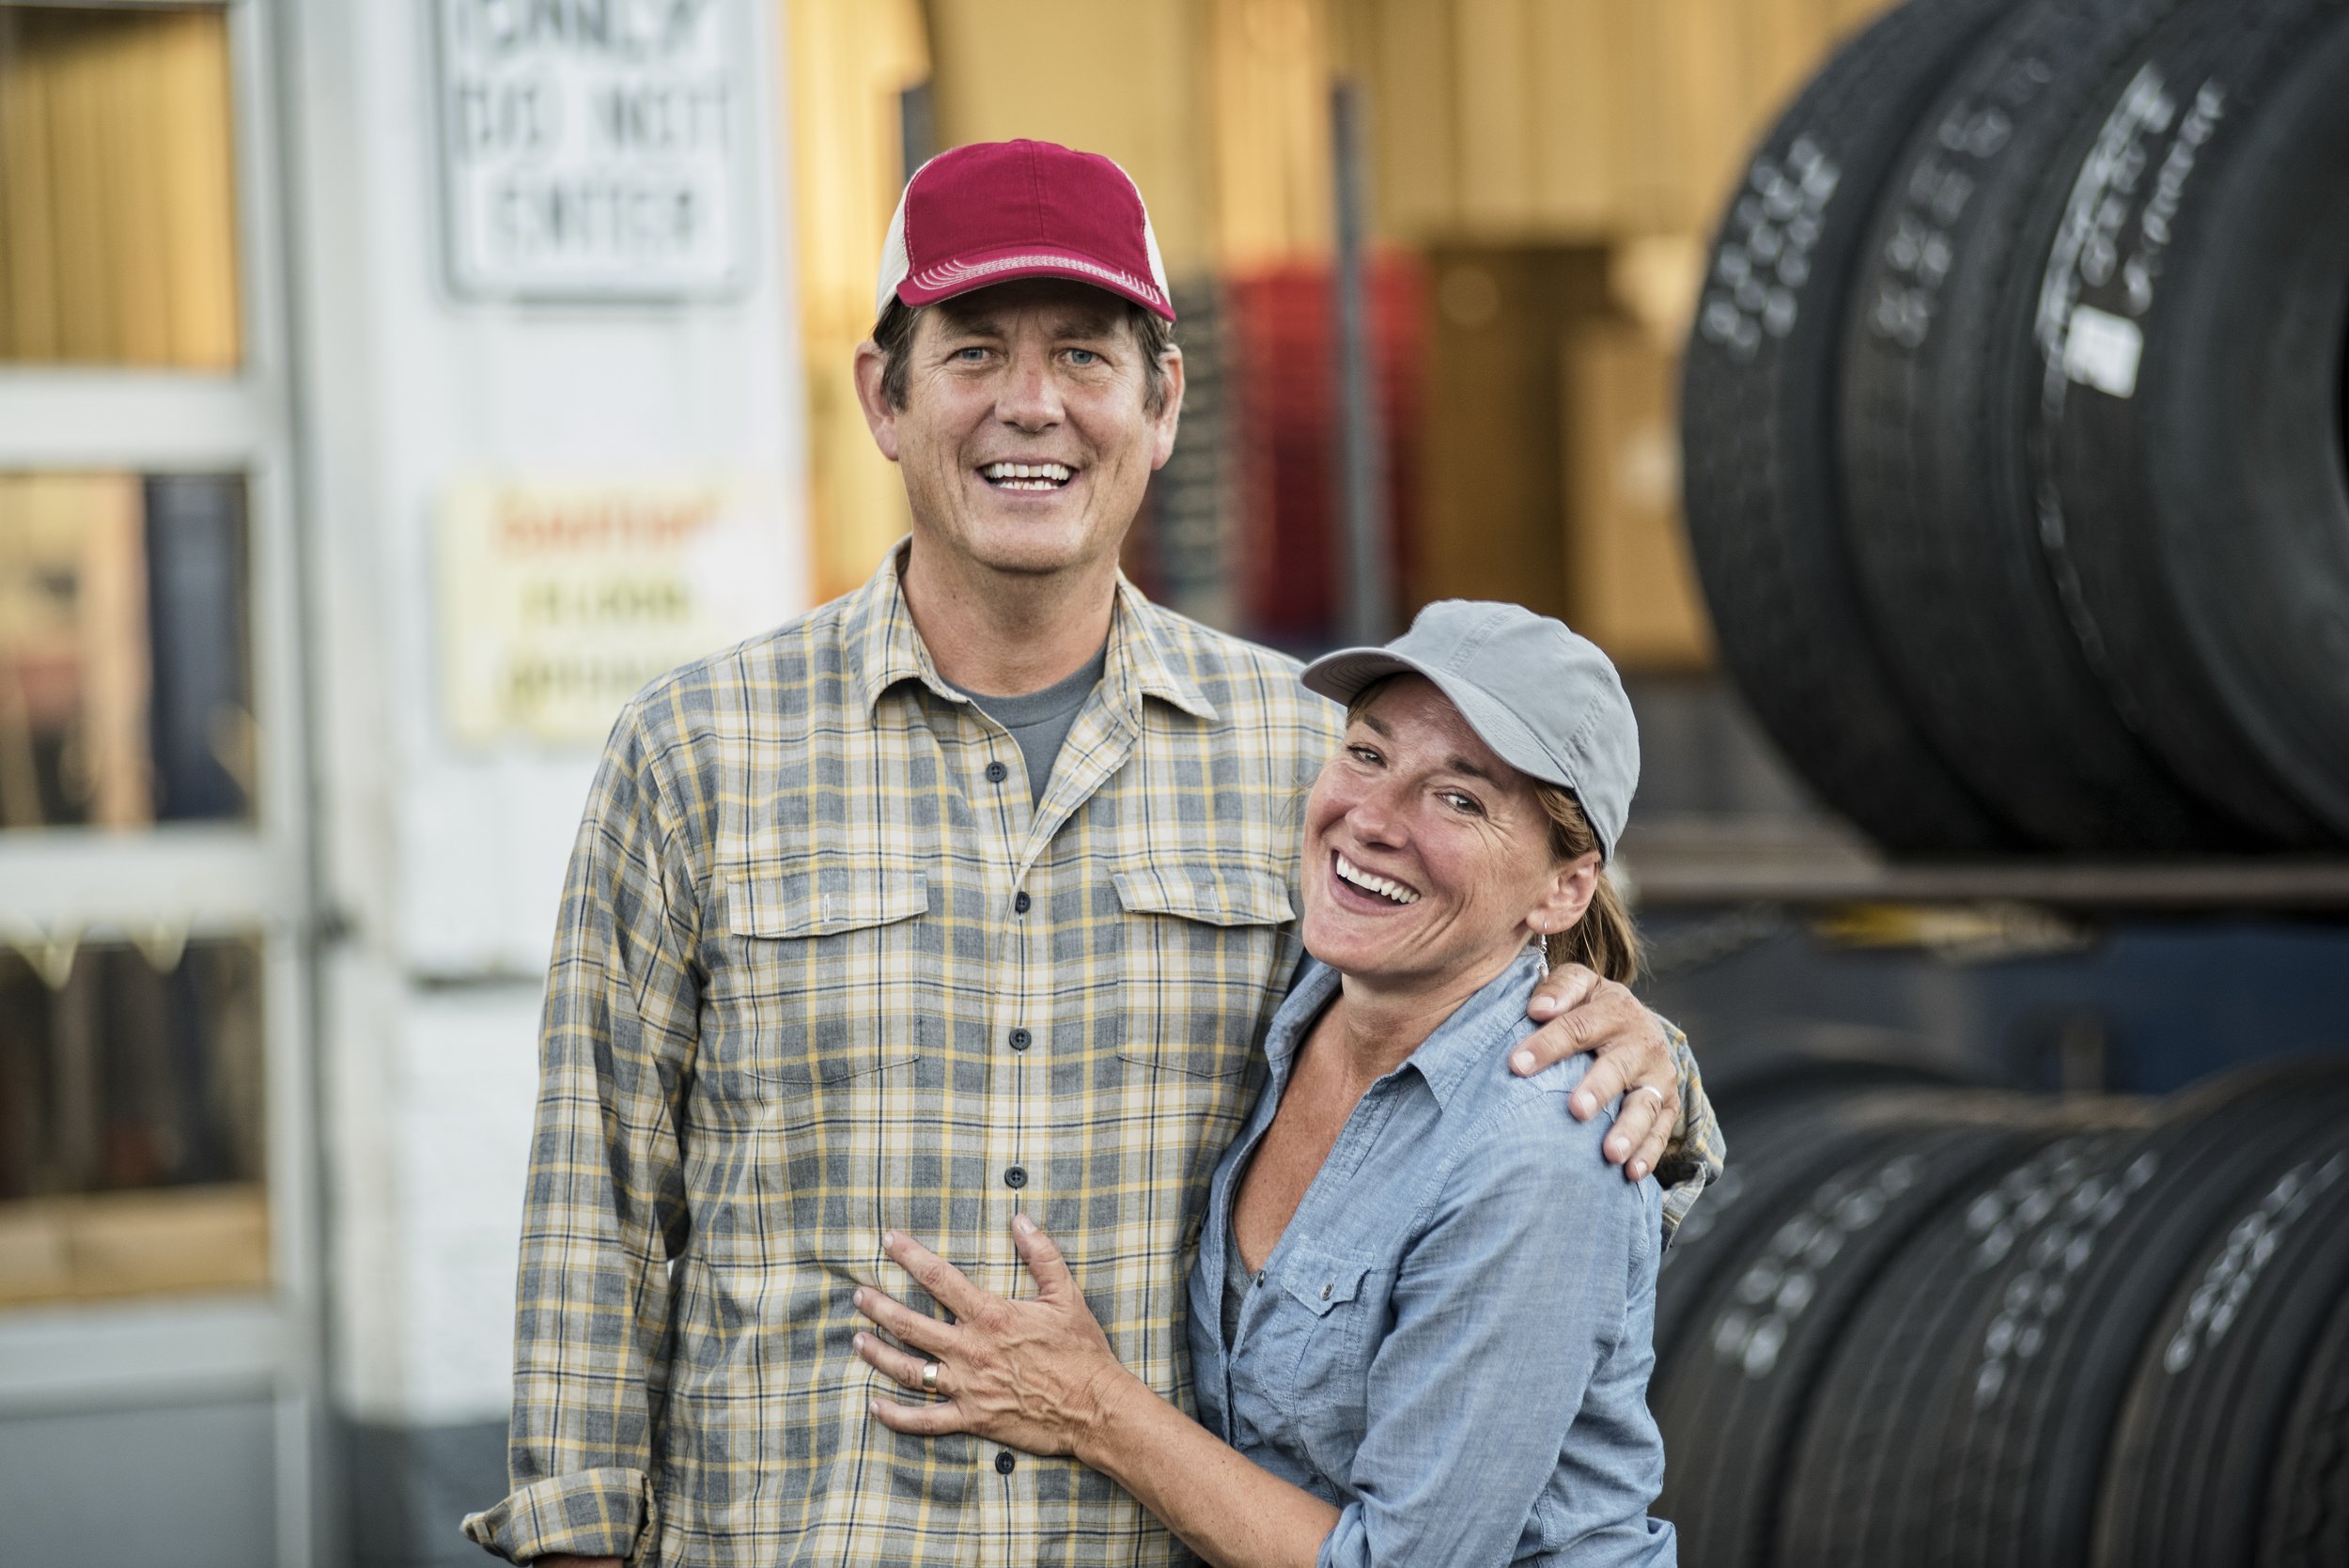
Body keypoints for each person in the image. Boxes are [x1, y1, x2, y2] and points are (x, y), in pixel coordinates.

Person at [462, 139, 1719, 1567]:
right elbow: (596, 1224)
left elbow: (1472, 1033)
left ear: (1163, 401)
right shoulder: (694, 755)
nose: (1032, 405)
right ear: (886, 395)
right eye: (974, 351)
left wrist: (1649, 1060)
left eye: (1085, 355)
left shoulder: (1297, 759)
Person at [850, 602, 1676, 1566]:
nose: (1371, 819)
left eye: (1459, 799)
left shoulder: (1539, 1151)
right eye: (1368, 755)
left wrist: (1088, 1404)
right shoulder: (1286, 1002)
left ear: (1563, 889)